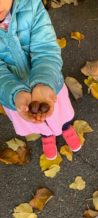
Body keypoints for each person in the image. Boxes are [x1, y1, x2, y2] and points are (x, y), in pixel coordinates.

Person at [0, 0, 81, 160]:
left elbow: (46, 50)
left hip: (49, 84)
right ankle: (46, 134)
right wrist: (15, 94)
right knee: (36, 120)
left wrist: (43, 82)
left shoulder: (30, 6)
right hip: (13, 97)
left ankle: (65, 127)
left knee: (60, 114)